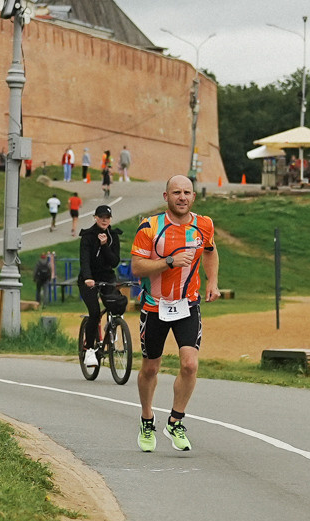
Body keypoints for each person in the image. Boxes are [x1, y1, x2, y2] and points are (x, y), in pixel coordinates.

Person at [129, 175, 218, 453]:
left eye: (187, 192)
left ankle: (176, 421)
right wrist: (168, 262)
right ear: (166, 196)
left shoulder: (204, 225)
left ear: (193, 197)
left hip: (187, 304)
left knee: (190, 364)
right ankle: (147, 419)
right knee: (150, 367)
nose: (182, 197)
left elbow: (211, 252)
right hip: (155, 305)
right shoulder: (150, 226)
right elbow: (137, 267)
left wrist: (212, 282)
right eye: (176, 192)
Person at [76, 203, 122, 366]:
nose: (104, 220)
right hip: (89, 279)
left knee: (117, 304)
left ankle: (113, 328)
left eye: (107, 217)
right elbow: (85, 259)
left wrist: (104, 246)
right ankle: (89, 350)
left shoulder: (113, 236)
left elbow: (115, 262)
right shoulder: (88, 236)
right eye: (101, 217)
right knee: (94, 313)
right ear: (95, 218)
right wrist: (88, 278)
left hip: (107, 277)